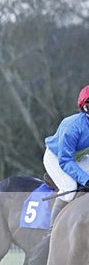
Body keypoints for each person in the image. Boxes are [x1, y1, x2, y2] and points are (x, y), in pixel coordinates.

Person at [42, 85, 89, 223]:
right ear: (86, 107)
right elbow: (65, 161)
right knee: (70, 189)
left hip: (78, 157)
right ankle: (52, 228)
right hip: (57, 158)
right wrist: (86, 180)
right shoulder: (72, 126)